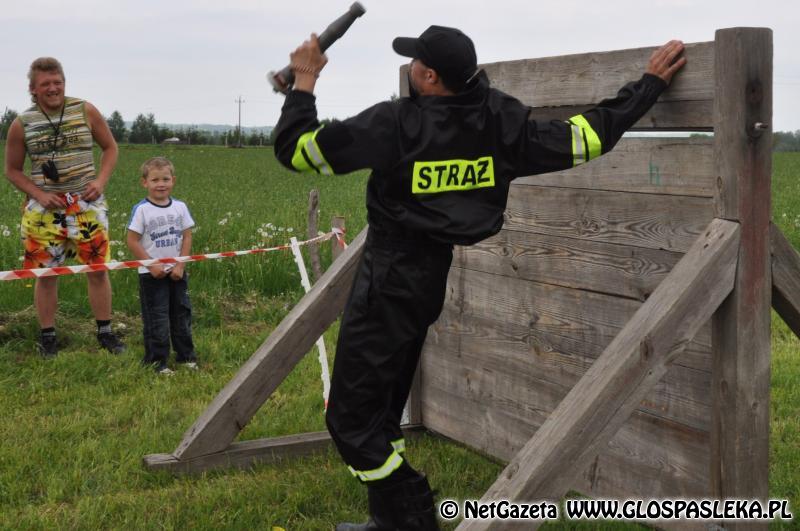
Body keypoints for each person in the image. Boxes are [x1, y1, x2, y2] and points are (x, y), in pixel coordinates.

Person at [274, 26, 686, 530]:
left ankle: (412, 516)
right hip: (428, 279)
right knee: (381, 409)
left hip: (388, 279)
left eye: (414, 64)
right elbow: (587, 137)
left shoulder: (395, 124)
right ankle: (389, 523)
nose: (409, 71)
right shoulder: (501, 121)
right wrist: (647, 86)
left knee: (350, 423)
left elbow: (297, 150)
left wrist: (304, 79)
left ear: (427, 76)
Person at [4, 57, 125, 358]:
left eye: (58, 81)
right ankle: (48, 337)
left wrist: (101, 181)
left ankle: (105, 333)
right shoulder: (22, 124)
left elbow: (110, 148)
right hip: (43, 211)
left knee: (97, 269)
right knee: (46, 274)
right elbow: (12, 170)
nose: (53, 88)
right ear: (33, 89)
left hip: (87, 206)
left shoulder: (85, 110)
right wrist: (39, 194)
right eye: (46, 83)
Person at [126, 157, 198, 375]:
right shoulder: (142, 210)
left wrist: (180, 265)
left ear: (173, 180)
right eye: (155, 179)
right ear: (144, 182)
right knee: (156, 318)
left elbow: (186, 237)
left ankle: (186, 357)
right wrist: (151, 265)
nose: (161, 184)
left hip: (177, 273)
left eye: (165, 179)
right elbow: (132, 240)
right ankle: (157, 362)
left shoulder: (180, 207)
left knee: (181, 315)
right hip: (152, 276)